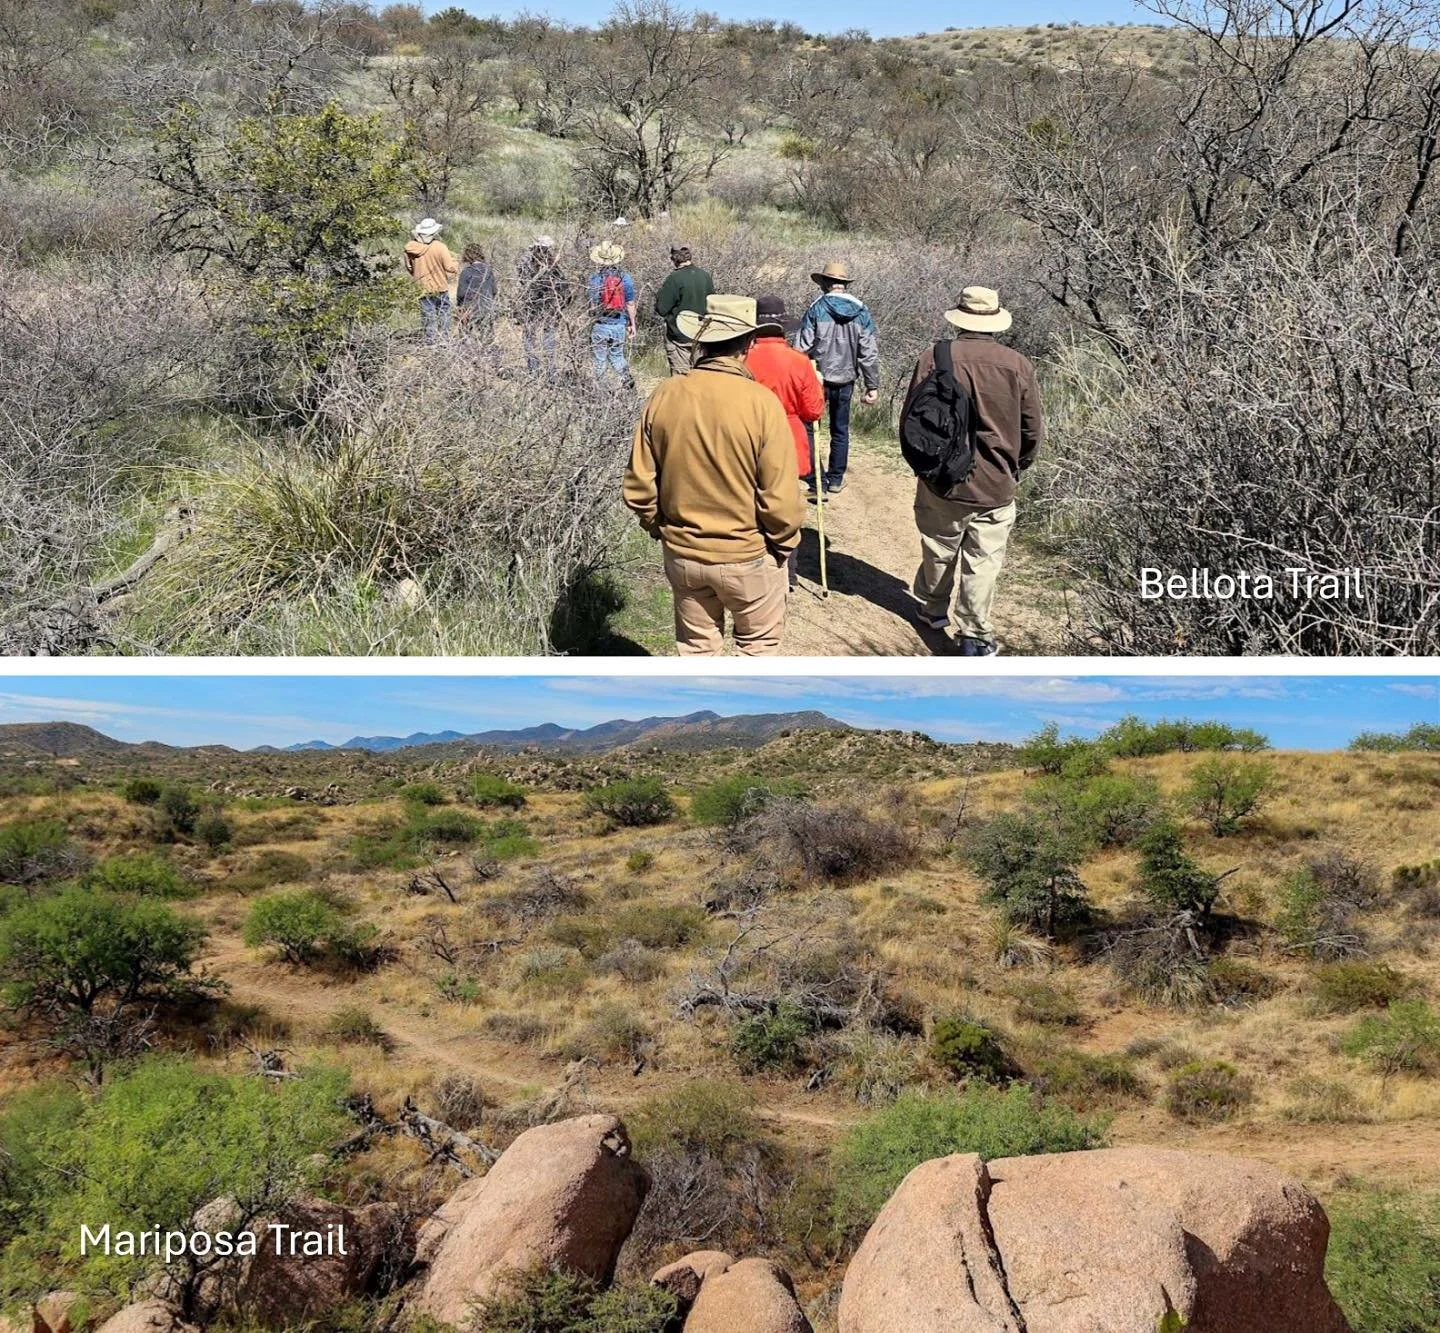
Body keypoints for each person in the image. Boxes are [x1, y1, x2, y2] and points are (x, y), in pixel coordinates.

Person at [624, 295, 804, 655]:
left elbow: (639, 485)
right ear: (748, 344)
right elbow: (780, 496)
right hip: (749, 555)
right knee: (758, 648)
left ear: (702, 341)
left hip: (683, 554)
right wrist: (782, 545)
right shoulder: (762, 403)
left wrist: (659, 527)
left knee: (696, 649)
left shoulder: (665, 394)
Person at [901, 286, 1044, 657]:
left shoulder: (934, 356)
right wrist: (1019, 464)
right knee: (983, 561)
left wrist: (923, 464)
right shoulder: (1017, 365)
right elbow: (1032, 428)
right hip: (996, 480)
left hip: (941, 478)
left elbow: (911, 418)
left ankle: (931, 609)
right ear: (996, 321)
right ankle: (974, 633)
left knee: (938, 547)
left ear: (960, 317)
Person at [745, 295, 823, 590]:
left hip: (749, 438)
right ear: (783, 329)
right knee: (786, 509)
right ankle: (786, 572)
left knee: (750, 504)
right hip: (789, 439)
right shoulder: (799, 362)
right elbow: (813, 411)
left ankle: (754, 566)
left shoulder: (742, 358)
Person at [795, 260, 880, 494]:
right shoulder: (862, 311)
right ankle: (835, 479)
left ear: (824, 284)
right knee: (840, 429)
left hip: (817, 379)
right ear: (844, 284)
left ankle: (815, 479)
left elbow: (802, 346)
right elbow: (868, 352)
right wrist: (871, 385)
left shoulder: (816, 309)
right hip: (846, 380)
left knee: (812, 428)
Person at [653, 245, 715, 375]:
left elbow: (662, 309)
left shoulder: (674, 278)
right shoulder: (705, 276)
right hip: (701, 334)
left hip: (679, 336)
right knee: (701, 374)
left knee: (681, 379)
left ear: (675, 259)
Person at [586, 240, 637, 387]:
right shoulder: (625, 277)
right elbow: (630, 303)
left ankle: (600, 390)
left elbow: (592, 305)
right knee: (617, 356)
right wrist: (632, 324)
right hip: (619, 324)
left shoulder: (595, 279)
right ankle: (627, 382)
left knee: (599, 359)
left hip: (600, 324)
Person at [517, 235, 567, 375]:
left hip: (532, 303)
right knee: (546, 334)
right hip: (547, 304)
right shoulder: (551, 263)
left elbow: (523, 282)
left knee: (530, 334)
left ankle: (535, 369)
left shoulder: (527, 261)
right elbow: (562, 283)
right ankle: (549, 370)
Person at [402, 218, 458, 341]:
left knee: (428, 315)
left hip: (421, 288)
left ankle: (430, 341)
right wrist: (457, 264)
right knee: (443, 313)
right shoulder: (440, 247)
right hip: (440, 287)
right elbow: (450, 267)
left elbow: (409, 268)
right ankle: (444, 340)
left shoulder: (410, 248)